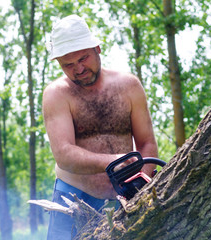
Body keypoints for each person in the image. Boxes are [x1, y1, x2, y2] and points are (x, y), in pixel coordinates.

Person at [43, 14, 158, 239]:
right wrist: (114, 162)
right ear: (58, 63)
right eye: (68, 64)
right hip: (72, 197)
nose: (78, 69)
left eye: (83, 58)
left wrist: (138, 187)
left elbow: (147, 143)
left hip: (126, 197)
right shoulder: (56, 95)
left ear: (97, 48)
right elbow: (64, 155)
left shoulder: (129, 86)